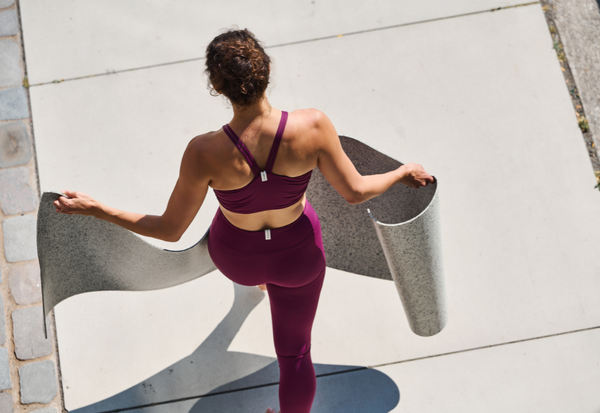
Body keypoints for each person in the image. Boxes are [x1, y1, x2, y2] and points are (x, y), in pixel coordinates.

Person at [54, 28, 434, 413]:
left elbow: (170, 229)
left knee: (254, 269)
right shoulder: (313, 126)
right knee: (295, 354)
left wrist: (98, 209)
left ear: (217, 88)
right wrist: (401, 173)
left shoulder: (203, 152)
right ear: (267, 70)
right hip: (297, 256)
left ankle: (259, 283)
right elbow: (355, 191)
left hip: (237, 258)